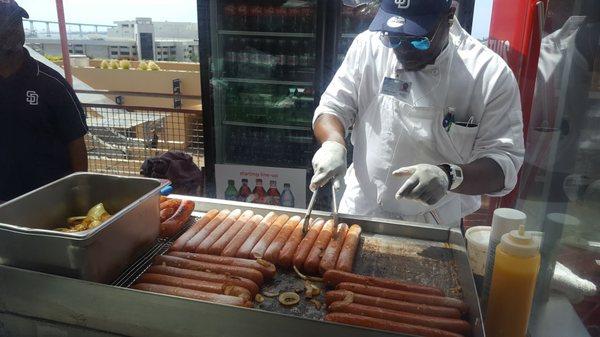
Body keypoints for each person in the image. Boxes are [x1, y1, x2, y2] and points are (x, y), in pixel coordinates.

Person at [310, 0, 525, 225]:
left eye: (419, 40)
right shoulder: (368, 46)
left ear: (449, 16)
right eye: (393, 38)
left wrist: (449, 175)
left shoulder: (488, 74)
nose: (403, 49)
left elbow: (504, 164)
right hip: (361, 207)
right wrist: (333, 143)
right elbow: (332, 107)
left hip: (434, 221)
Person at [0, 0, 88, 201]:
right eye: (4, 24)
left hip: (50, 203)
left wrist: (80, 196)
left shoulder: (52, 84)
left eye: (17, 23)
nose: (13, 30)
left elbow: (76, 143)